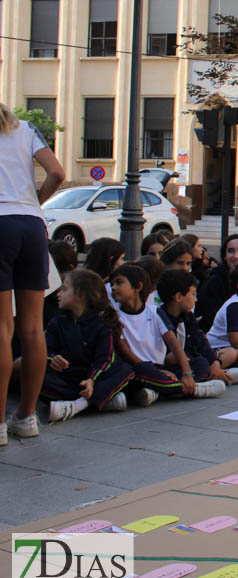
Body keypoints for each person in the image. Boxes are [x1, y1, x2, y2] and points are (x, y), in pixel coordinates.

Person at [0, 102, 65, 442]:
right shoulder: (24, 129)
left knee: (1, 326)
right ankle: (26, 418)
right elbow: (58, 172)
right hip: (30, 224)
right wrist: (35, 202)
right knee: (33, 329)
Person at [110, 264, 226, 406]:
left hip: (160, 367)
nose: (113, 287)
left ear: (137, 287)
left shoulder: (154, 312)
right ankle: (193, 389)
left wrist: (186, 373)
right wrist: (155, 371)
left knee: (200, 363)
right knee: (132, 373)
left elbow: (174, 344)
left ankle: (157, 391)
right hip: (141, 368)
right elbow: (126, 352)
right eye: (112, 284)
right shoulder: (114, 317)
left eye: (119, 283)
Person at [42, 269, 134, 422]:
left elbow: (105, 359)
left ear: (81, 295)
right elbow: (45, 350)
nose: (59, 294)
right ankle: (102, 399)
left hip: (93, 378)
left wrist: (91, 379)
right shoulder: (57, 322)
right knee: (37, 379)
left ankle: (79, 405)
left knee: (126, 370)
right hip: (67, 379)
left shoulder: (101, 324)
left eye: (64, 290)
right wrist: (52, 359)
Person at [156, 269, 238, 388]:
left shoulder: (188, 316)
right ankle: (206, 381)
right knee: (198, 363)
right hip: (175, 366)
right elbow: (169, 356)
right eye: (193, 294)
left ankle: (213, 374)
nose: (196, 299)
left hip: (192, 360)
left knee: (229, 352)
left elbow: (201, 341)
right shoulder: (160, 317)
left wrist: (215, 363)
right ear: (178, 297)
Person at [196, 233, 238, 331]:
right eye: (231, 251)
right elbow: (210, 318)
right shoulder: (214, 282)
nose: (236, 256)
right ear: (224, 256)